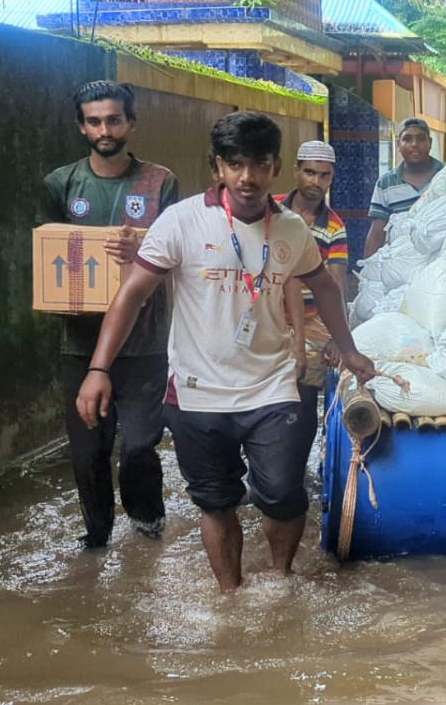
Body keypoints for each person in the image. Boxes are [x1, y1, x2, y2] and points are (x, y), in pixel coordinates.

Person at [76, 112, 378, 591]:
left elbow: (324, 287)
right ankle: (230, 595)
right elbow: (132, 294)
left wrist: (350, 349)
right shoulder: (180, 222)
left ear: (274, 167)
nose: (247, 177)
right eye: (235, 164)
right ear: (217, 167)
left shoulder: (293, 229)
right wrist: (98, 368)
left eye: (258, 165)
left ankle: (279, 582)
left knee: (282, 494)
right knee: (215, 502)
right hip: (197, 392)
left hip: (274, 385)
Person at [37, 80, 179, 550]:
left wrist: (146, 243)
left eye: (114, 119)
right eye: (94, 121)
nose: (105, 129)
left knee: (139, 445)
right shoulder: (60, 185)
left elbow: (181, 253)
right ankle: (96, 540)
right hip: (80, 341)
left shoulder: (161, 183)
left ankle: (147, 527)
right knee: (88, 450)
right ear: (82, 126)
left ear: (130, 123)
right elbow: (48, 254)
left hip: (145, 341)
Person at [277, 140, 349, 451]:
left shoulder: (334, 227)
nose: (315, 182)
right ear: (295, 171)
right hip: (267, 320)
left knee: (303, 400)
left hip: (310, 325)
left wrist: (338, 336)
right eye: (309, 172)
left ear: (331, 178)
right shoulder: (271, 209)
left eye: (324, 175)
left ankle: (293, 468)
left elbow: (336, 283)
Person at [364, 117, 443, 256]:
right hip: (400, 266)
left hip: (439, 264)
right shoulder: (386, 184)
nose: (414, 144)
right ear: (398, 145)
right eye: (407, 139)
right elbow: (377, 232)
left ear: (430, 143)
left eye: (421, 139)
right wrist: (367, 271)